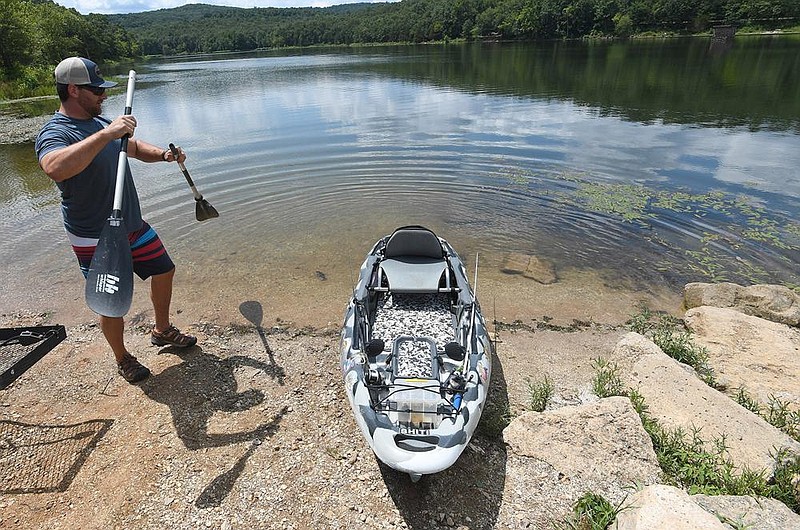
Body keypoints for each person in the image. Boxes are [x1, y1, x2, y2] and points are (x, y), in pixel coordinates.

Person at [35, 56, 197, 384]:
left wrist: (164, 155)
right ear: (72, 90)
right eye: (95, 89)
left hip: (131, 224)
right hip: (94, 236)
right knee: (111, 302)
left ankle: (162, 329)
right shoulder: (56, 131)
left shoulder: (99, 124)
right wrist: (107, 135)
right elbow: (55, 167)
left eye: (103, 89)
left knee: (164, 269)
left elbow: (134, 147)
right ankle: (123, 358)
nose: (103, 95)